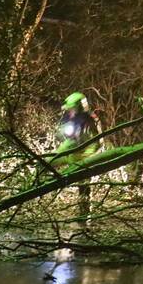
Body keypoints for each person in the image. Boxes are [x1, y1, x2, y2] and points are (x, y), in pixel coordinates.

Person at [54, 91, 103, 222]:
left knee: (84, 185)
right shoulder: (72, 120)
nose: (69, 112)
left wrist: (84, 157)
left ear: (78, 107)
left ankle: (84, 213)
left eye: (71, 109)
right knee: (49, 163)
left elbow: (96, 143)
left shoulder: (90, 121)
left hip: (84, 159)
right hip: (71, 155)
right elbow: (64, 137)